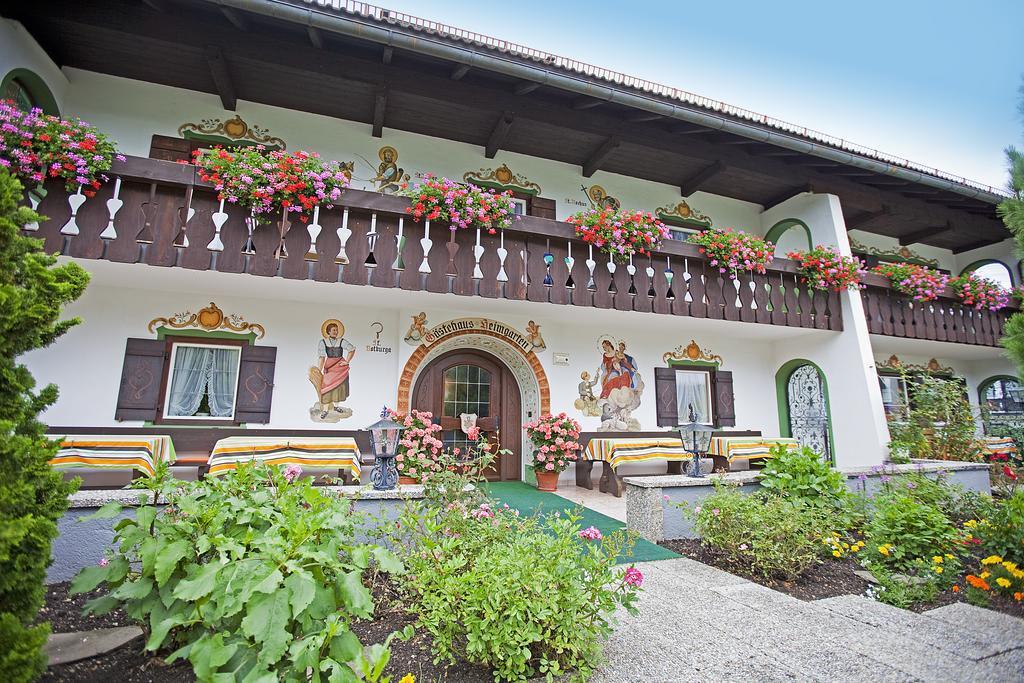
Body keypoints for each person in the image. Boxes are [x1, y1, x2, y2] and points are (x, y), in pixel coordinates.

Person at [315, 320, 355, 419]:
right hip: (330, 367)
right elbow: (321, 357)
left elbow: (352, 349)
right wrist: (319, 370)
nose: (335, 332)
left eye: (337, 330)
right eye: (333, 330)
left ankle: (336, 407)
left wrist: (347, 361)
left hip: (340, 367)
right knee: (326, 386)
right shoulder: (323, 342)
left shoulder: (341, 341)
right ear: (328, 331)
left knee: (339, 387)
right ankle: (325, 410)